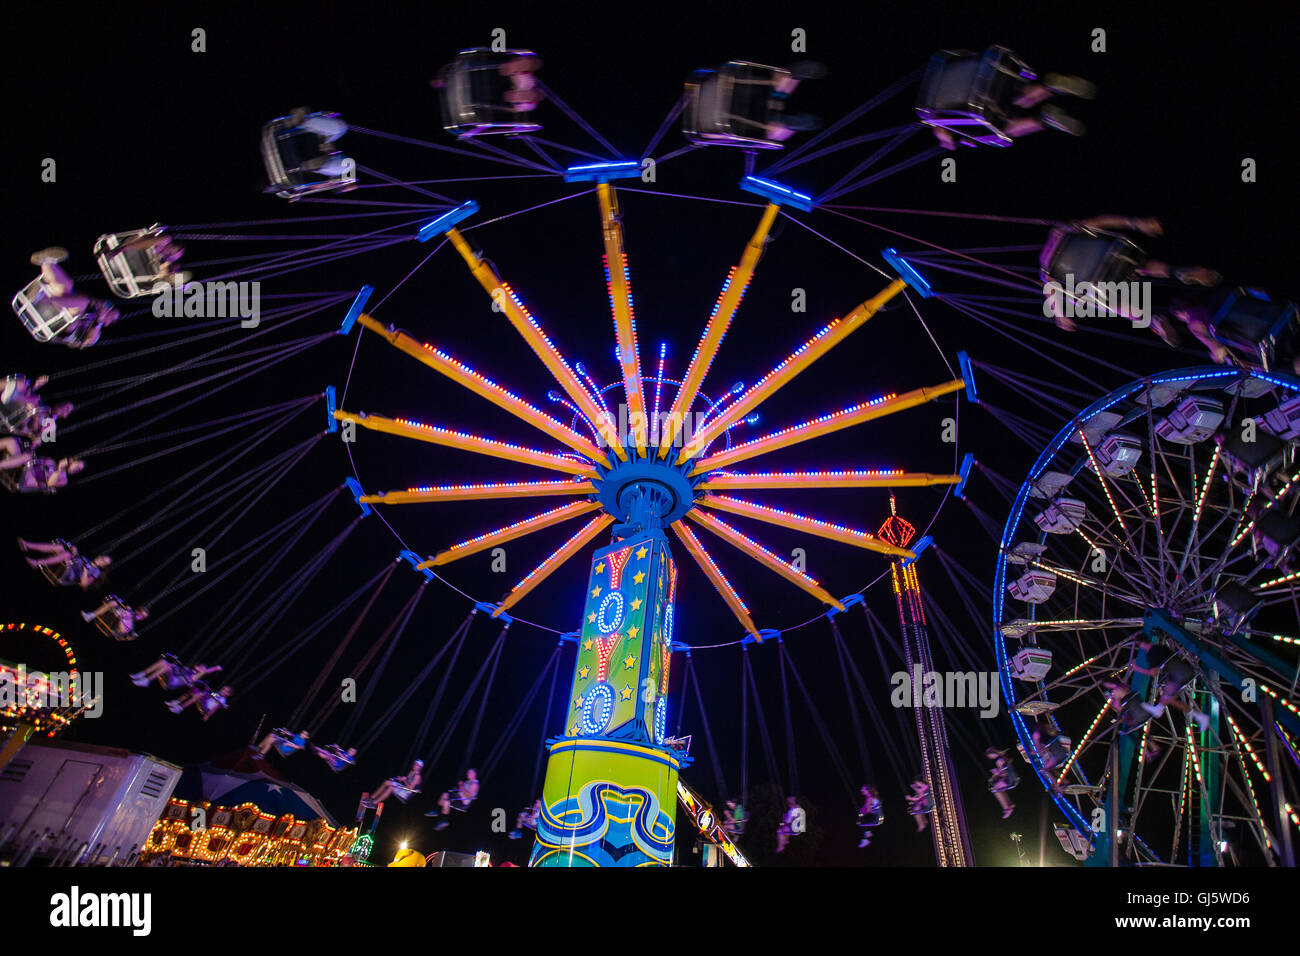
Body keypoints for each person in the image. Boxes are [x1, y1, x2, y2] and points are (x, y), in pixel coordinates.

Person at [929, 57, 1095, 150]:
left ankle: (1042, 121)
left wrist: (947, 141)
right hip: (985, 76)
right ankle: (1047, 87)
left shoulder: (931, 110)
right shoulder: (941, 67)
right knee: (1016, 94)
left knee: (1004, 130)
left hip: (973, 104)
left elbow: (939, 128)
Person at [29, 248, 120, 348]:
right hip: (56, 310)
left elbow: (88, 341)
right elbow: (79, 298)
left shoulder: (96, 332)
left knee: (82, 303)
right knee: (66, 286)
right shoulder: (92, 308)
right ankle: (46, 262)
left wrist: (99, 320)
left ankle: (43, 299)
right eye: (111, 309)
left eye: (110, 314)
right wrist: (96, 303)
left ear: (107, 323)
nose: (108, 310)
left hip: (60, 327)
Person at [0, 437, 84, 493]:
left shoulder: (63, 479)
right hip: (22, 467)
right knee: (12, 441)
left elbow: (49, 484)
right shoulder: (50, 461)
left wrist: (59, 470)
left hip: (24, 480)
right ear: (70, 461)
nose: (76, 470)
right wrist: (33, 446)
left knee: (26, 457)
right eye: (77, 466)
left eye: (79, 470)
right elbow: (34, 461)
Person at [19, 538, 109, 589]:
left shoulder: (96, 572)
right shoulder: (86, 559)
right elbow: (75, 560)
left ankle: (36, 563)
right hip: (64, 565)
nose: (101, 559)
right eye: (102, 557)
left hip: (65, 576)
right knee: (60, 547)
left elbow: (84, 585)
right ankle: (27, 545)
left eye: (104, 561)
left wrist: (85, 569)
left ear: (103, 566)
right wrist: (74, 551)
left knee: (66, 554)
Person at [81, 595, 148, 640]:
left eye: (142, 617)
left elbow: (121, 631)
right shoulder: (129, 611)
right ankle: (90, 616)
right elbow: (116, 606)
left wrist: (120, 619)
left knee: (123, 628)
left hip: (111, 626)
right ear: (137, 611)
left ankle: (91, 616)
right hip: (108, 615)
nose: (140, 616)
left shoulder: (131, 626)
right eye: (140, 613)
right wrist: (119, 603)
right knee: (114, 603)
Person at [986, 749, 1018, 819]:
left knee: (994, 790)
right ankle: (1008, 805)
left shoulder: (999, 761)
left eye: (989, 756)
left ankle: (1007, 808)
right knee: (998, 789)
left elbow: (1004, 773)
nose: (989, 757)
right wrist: (996, 775)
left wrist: (996, 773)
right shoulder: (1002, 758)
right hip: (1011, 778)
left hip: (1009, 779)